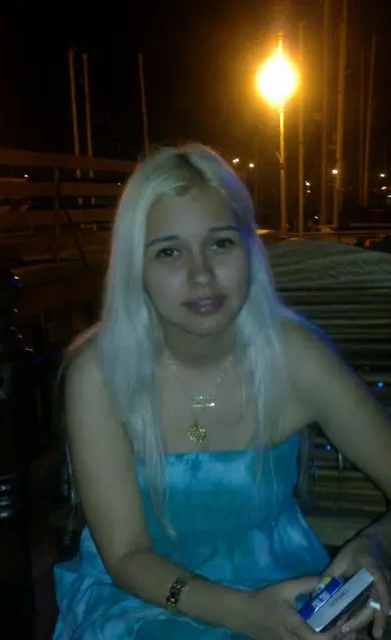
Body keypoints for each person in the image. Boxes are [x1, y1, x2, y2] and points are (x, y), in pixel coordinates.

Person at [53, 145, 391, 639]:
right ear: (135, 268)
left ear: (250, 250)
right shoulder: (98, 375)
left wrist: (376, 544)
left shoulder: (296, 358)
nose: (201, 275)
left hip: (279, 584)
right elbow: (126, 555)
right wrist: (243, 613)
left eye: (221, 244)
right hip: (141, 597)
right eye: (169, 252)